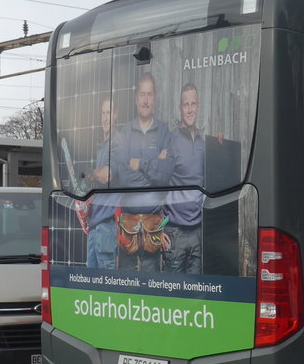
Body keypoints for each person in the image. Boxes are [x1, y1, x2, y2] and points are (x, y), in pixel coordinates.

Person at [114, 72, 171, 271]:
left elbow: (164, 176)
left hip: (153, 226)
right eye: (142, 95)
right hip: (127, 226)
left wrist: (139, 164)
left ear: (154, 98)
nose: (145, 100)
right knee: (126, 288)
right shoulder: (125, 131)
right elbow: (123, 175)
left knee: (153, 287)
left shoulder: (164, 130)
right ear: (136, 98)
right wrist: (154, 164)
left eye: (149, 94)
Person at [164, 83, 212, 273]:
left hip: (198, 232)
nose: (190, 109)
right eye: (186, 105)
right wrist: (158, 228)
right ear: (180, 109)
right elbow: (155, 183)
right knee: (173, 294)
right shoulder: (169, 140)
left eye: (193, 104)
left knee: (196, 297)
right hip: (175, 233)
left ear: (198, 106)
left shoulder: (205, 142)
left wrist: (220, 144)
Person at [86, 97, 119, 269]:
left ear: (116, 115)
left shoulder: (118, 142)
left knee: (107, 280)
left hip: (107, 224)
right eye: (103, 113)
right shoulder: (102, 146)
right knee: (91, 282)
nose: (105, 118)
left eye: (109, 113)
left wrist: (89, 175)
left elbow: (106, 175)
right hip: (94, 224)